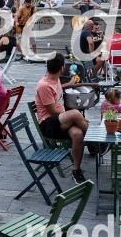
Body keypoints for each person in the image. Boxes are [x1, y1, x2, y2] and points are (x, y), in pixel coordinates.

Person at [35, 54, 89, 184]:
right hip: (48, 124)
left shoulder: (55, 78)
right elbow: (52, 111)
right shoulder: (44, 85)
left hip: (60, 121)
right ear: (62, 68)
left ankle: (76, 170)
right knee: (75, 113)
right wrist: (71, 116)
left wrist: (69, 84)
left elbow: (56, 89)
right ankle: (96, 141)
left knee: (77, 134)